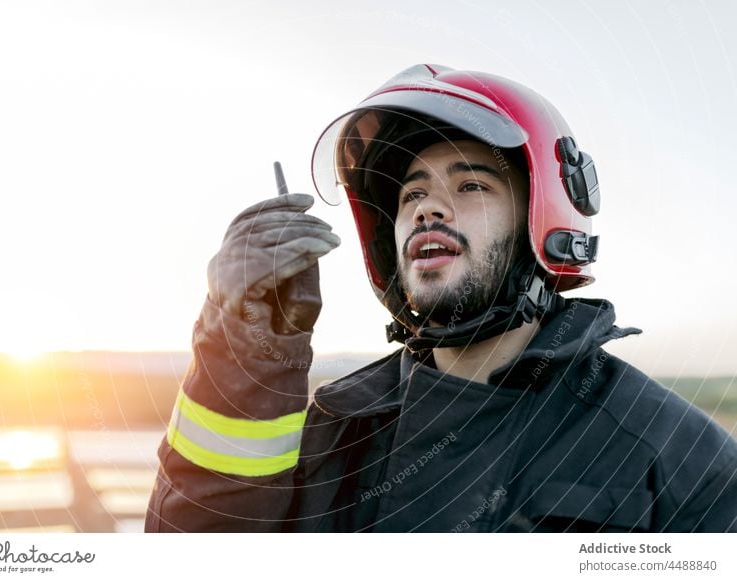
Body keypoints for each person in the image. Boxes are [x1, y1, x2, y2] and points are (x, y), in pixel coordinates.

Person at [145, 64, 737, 532]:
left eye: (471, 184)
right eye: (411, 194)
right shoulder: (337, 427)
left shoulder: (675, 454)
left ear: (546, 217)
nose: (428, 207)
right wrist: (242, 351)